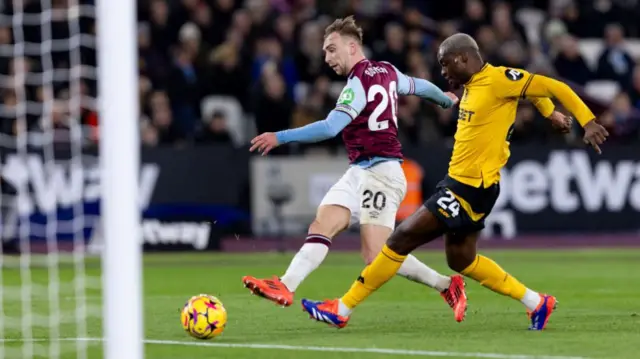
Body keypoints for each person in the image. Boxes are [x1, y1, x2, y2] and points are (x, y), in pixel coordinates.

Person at [301, 33, 609, 331]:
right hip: (468, 185)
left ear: (464, 58)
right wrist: (549, 112)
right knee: (461, 260)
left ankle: (341, 309)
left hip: (470, 187)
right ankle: (537, 302)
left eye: (446, 65)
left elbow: (552, 85)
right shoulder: (473, 85)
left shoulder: (499, 79)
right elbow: (533, 91)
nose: (443, 72)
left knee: (399, 239)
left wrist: (588, 120)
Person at [242, 16, 469, 322]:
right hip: (359, 172)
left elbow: (331, 127)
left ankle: (446, 284)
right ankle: (285, 285)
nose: (327, 57)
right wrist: (444, 100)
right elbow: (418, 86)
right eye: (324, 52)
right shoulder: (387, 71)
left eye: (331, 50)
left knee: (375, 255)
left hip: (383, 174)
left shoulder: (357, 82)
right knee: (322, 224)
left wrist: (279, 137)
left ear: (352, 47)